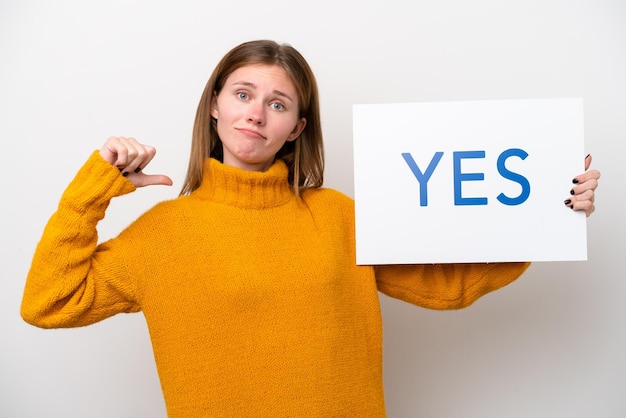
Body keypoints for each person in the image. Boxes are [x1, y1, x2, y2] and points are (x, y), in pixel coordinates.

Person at [20, 40, 601, 417]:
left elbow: (449, 283)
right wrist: (93, 189)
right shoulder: (163, 233)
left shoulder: (339, 216)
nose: (255, 112)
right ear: (216, 107)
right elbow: (47, 301)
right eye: (243, 94)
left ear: (297, 128)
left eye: (278, 103)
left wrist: (548, 213)